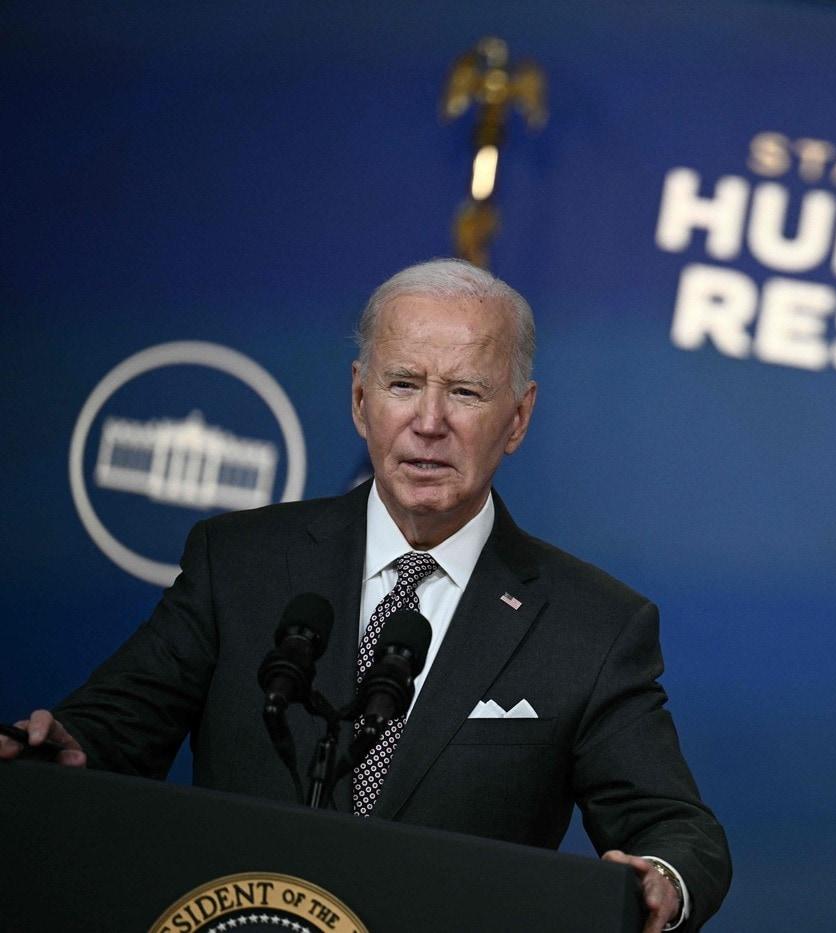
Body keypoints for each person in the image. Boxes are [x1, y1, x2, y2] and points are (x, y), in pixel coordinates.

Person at [0, 258, 731, 931]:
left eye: (466, 391)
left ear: (518, 418)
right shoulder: (240, 562)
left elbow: (678, 831)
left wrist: (662, 876)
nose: (430, 421)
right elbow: (113, 726)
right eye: (403, 383)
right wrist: (64, 745)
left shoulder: (590, 625)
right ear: (359, 398)